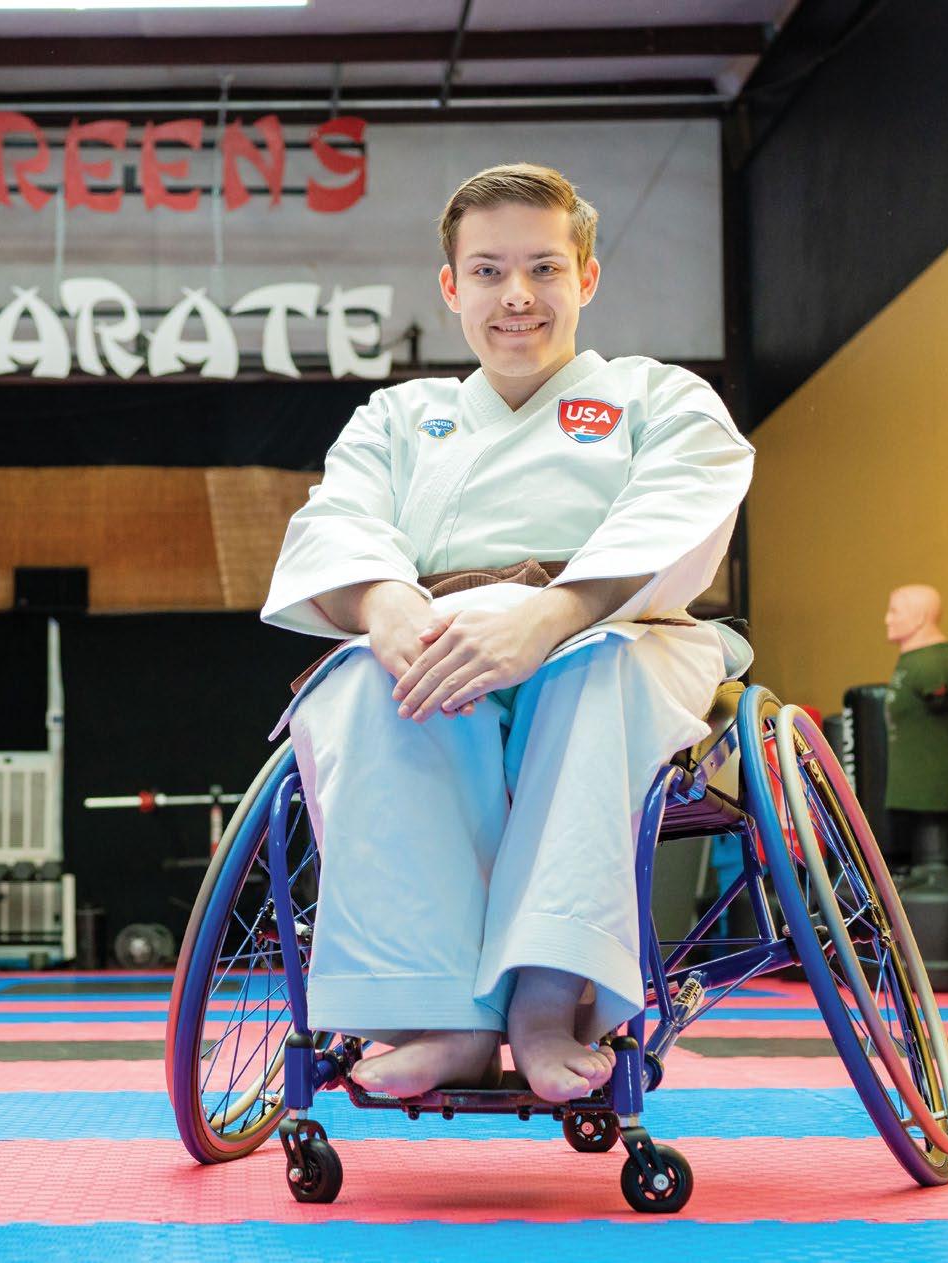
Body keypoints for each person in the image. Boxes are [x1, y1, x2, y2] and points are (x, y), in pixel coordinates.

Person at [260, 163, 755, 1103]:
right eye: (488, 271)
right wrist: (384, 605)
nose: (517, 294)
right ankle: (439, 1011)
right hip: (443, 630)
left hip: (618, 629)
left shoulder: (658, 397)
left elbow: (685, 504)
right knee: (369, 680)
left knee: (589, 675)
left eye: (544, 267)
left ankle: (547, 994)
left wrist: (552, 616)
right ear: (452, 288)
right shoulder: (400, 417)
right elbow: (339, 521)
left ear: (586, 277)